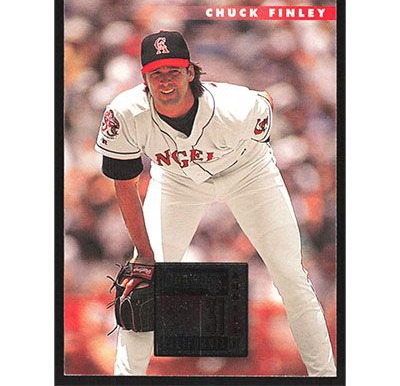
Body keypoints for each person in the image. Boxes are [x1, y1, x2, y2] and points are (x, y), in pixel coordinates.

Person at [95, 30, 336, 376]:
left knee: (291, 277)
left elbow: (265, 101)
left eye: (174, 71)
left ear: (191, 71)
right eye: (156, 73)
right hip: (177, 181)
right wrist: (144, 255)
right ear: (144, 78)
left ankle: (325, 375)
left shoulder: (236, 107)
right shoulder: (125, 114)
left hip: (247, 173)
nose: (165, 81)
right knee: (143, 284)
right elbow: (125, 186)